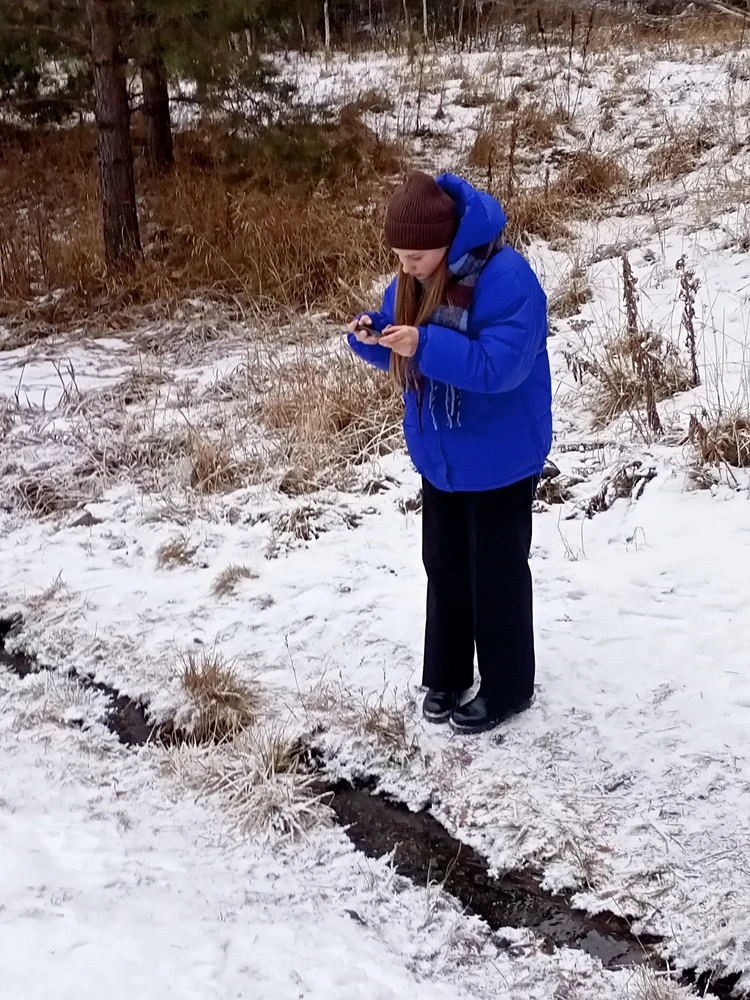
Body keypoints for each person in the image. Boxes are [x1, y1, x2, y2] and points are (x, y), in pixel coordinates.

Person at [347, 171, 552, 736]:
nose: (406, 266)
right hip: (441, 454)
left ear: (447, 239)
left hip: (500, 454)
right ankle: (446, 673)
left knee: (497, 573)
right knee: (444, 565)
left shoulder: (507, 279)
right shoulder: (412, 280)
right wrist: (374, 338)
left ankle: (509, 687)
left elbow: (500, 367)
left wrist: (424, 344)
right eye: (399, 256)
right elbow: (405, 346)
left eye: (415, 255)